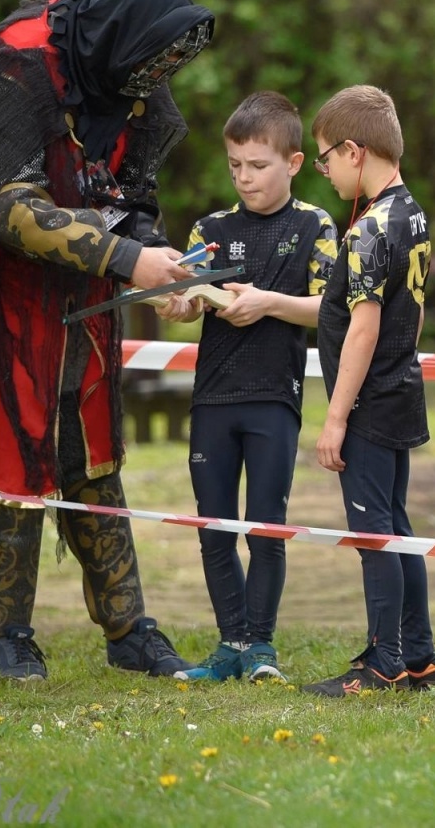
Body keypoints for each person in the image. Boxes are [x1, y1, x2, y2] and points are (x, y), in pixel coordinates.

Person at [0, 0, 215, 680]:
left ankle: (129, 629)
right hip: (1, 295)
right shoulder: (14, 64)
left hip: (84, 297)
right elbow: (4, 206)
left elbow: (127, 198)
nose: (153, 85)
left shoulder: (131, 72)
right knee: (12, 452)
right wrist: (128, 259)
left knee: (93, 455)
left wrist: (161, 271)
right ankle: (6, 636)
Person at [153, 91, 335, 685]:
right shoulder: (210, 229)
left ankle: (261, 647)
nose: (244, 177)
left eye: (258, 165)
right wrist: (177, 303)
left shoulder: (314, 224)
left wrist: (267, 304)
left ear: (295, 163)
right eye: (235, 165)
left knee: (265, 528)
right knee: (214, 527)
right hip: (212, 398)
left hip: (274, 398)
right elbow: (187, 301)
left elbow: (332, 309)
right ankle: (229, 644)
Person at [300, 85, 435, 698]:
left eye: (326, 158)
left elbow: (363, 328)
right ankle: (420, 656)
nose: (326, 171)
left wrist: (336, 419)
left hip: (368, 404)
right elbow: (410, 313)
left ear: (354, 152)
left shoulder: (368, 230)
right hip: (399, 390)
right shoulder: (413, 214)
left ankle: (383, 662)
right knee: (396, 527)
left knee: (373, 534)